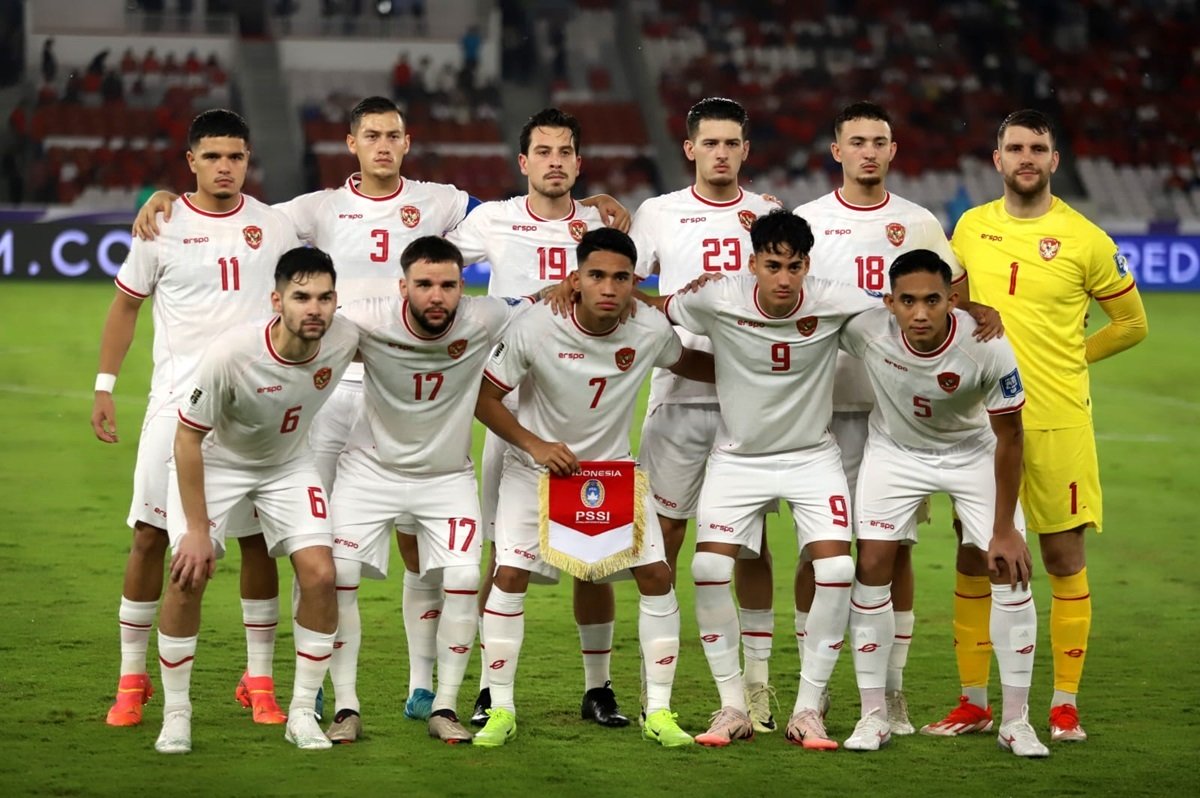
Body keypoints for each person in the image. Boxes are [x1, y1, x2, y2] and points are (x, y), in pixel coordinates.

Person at [132, 97, 630, 737]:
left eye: (393, 135)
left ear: (407, 141)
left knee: (430, 548)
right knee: (320, 552)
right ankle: (316, 690)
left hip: (423, 384)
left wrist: (592, 207)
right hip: (335, 381)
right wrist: (168, 199)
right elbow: (237, 213)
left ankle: (427, 687)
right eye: (372, 135)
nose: (384, 145)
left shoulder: (444, 203)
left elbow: (517, 215)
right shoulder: (317, 208)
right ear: (352, 143)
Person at [924, 109, 1147, 743]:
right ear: (997, 159)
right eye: (1016, 148)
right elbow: (955, 304)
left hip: (1057, 422)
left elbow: (1132, 323)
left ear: (1054, 160)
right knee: (975, 555)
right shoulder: (970, 227)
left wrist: (1073, 356)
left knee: (1063, 556)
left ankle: (1064, 705)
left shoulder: (1087, 238)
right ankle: (974, 702)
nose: (1027, 157)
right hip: (982, 426)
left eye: (1038, 148)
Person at [791, 101, 1000, 735]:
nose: (868, 152)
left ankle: (892, 689)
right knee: (819, 552)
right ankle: (814, 690)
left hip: (896, 419)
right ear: (837, 151)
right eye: (857, 141)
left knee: (895, 551)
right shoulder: (809, 221)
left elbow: (953, 301)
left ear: (892, 150)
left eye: (879, 141)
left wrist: (979, 309)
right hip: (821, 409)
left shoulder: (918, 222)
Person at [92, 109, 300, 729]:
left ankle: (258, 680)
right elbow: (125, 308)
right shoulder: (161, 225)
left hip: (254, 408)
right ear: (191, 162)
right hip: (175, 406)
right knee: (150, 536)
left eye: (235, 156)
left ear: (248, 159)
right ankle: (132, 680)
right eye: (212, 156)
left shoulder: (276, 224)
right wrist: (105, 387)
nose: (225, 167)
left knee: (258, 542)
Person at [472, 228, 714, 748]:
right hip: (536, 470)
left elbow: (688, 362)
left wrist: (762, 368)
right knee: (508, 574)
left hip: (610, 472)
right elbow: (484, 398)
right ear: (575, 278)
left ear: (634, 282)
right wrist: (536, 445)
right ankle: (498, 705)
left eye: (621, 277)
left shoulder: (648, 326)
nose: (608, 287)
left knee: (653, 575)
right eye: (596, 275)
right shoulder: (537, 325)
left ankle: (655, 710)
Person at [646, 209, 877, 750]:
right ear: (753, 264)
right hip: (738, 459)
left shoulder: (836, 299)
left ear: (807, 266)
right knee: (707, 567)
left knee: (838, 569)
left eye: (794, 267)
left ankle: (807, 709)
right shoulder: (717, 296)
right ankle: (733, 706)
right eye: (772, 266)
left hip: (811, 457)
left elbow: (904, 310)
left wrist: (973, 308)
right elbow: (657, 309)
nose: (784, 279)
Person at [447, 107, 627, 729]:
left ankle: (599, 689)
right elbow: (432, 265)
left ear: (579, 162)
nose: (555, 161)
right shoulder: (491, 220)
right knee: (506, 559)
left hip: (588, 418)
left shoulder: (602, 224)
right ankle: (490, 689)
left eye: (565, 151)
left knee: (594, 561)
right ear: (523, 162)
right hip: (511, 410)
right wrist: (509, 305)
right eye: (543, 151)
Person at [328, 236, 546, 744]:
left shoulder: (485, 316)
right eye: (423, 284)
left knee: (466, 578)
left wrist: (567, 285)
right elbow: (304, 331)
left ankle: (444, 706)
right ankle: (344, 707)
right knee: (339, 576)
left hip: (446, 476)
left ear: (462, 287)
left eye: (448, 285)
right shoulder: (365, 317)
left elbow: (539, 303)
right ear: (402, 286)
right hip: (369, 471)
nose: (436, 295)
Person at [840, 249, 1047, 757]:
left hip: (971, 452)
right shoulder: (866, 329)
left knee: (1010, 568)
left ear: (952, 300)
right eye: (907, 301)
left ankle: (1016, 722)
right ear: (889, 302)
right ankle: (874, 715)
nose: (920, 313)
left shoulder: (986, 344)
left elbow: (1011, 435)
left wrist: (1004, 529)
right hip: (896, 451)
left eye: (932, 300)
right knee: (872, 564)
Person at [154, 247, 359, 754]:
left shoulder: (345, 338)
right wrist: (197, 530)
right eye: (301, 297)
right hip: (218, 462)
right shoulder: (232, 353)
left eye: (325, 298)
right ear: (276, 300)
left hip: (288, 465)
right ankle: (176, 714)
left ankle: (301, 713)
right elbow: (187, 439)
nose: (315, 308)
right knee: (187, 573)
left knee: (321, 575)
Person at [629, 96, 781, 732]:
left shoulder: (768, 214)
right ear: (690, 149)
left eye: (731, 143)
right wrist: (671, 309)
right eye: (710, 143)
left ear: (746, 150)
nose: (721, 153)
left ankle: (757, 686)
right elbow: (625, 285)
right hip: (677, 398)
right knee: (662, 537)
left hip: (749, 406)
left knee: (751, 545)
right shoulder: (659, 213)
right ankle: (655, 685)